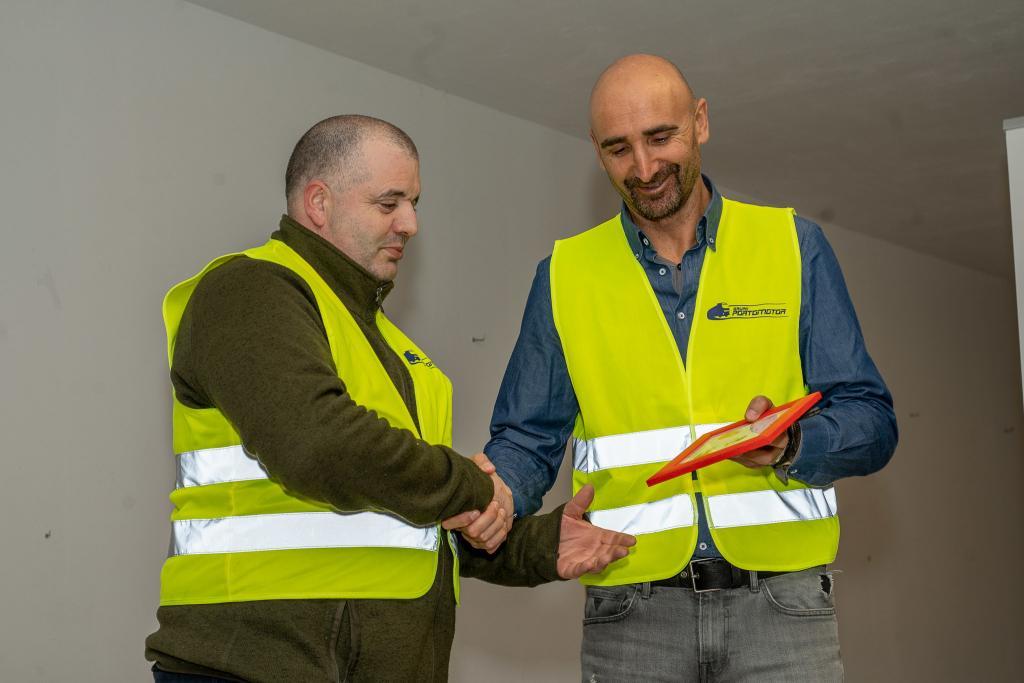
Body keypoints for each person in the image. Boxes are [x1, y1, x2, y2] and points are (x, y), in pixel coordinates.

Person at [145, 114, 635, 682]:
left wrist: (537, 546)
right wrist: (474, 484)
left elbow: (411, 515)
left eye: (414, 203)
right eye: (389, 203)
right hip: (254, 666)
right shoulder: (248, 289)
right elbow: (318, 445)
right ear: (319, 203)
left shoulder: (395, 348)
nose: (411, 223)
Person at [481, 55, 898, 681]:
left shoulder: (793, 246)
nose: (644, 168)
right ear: (596, 150)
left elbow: (871, 420)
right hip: (631, 613)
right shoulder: (565, 275)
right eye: (619, 149)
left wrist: (792, 444)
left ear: (700, 122)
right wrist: (489, 496)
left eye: (660, 137)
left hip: (783, 609)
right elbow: (526, 439)